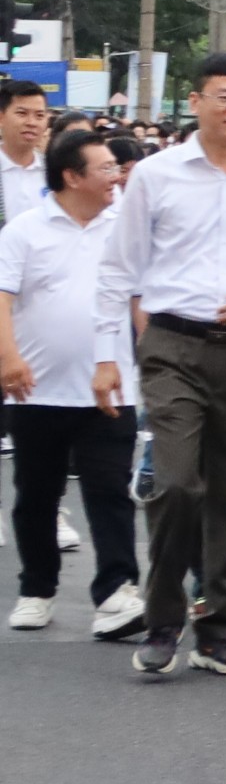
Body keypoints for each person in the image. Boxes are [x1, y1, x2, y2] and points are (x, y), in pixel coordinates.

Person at [97, 54, 226, 678]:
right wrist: (108, 358)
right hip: (173, 346)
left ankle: (217, 629)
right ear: (195, 101)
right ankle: (163, 620)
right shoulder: (157, 176)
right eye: (224, 95)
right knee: (178, 483)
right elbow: (118, 269)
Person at [3, 132, 145, 638]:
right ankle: (36, 590)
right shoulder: (25, 230)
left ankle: (117, 592)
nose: (117, 176)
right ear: (72, 176)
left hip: (110, 387)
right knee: (36, 495)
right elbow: (3, 296)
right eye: (106, 168)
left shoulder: (125, 227)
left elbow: (139, 298)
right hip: (36, 389)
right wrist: (9, 357)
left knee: (110, 490)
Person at [0, 79, 48, 222]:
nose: (31, 123)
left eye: (39, 115)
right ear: (1, 118)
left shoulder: (54, 170)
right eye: (22, 113)